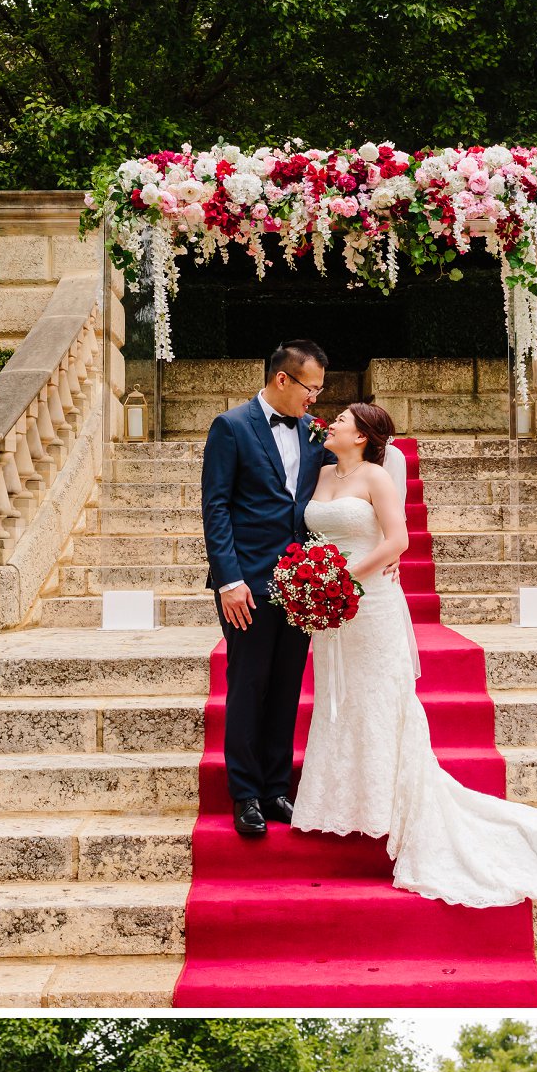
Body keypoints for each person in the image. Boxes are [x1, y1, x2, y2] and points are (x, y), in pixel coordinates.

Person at [293, 400, 537, 906]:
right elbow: (312, 535)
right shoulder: (319, 476)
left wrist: (343, 578)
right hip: (332, 607)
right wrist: (313, 583)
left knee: (381, 698)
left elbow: (398, 541)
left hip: (370, 601)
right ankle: (345, 802)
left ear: (362, 436)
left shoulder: (377, 478)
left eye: (342, 419)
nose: (332, 423)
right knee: (340, 696)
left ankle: (393, 806)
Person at [200, 340, 334, 839]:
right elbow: (216, 508)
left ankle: (278, 787)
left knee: (285, 687)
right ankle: (246, 794)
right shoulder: (230, 427)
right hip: (247, 585)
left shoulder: (313, 433)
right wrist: (229, 580)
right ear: (284, 379)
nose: (315, 398)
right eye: (311, 387)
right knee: (249, 685)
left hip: (300, 585)